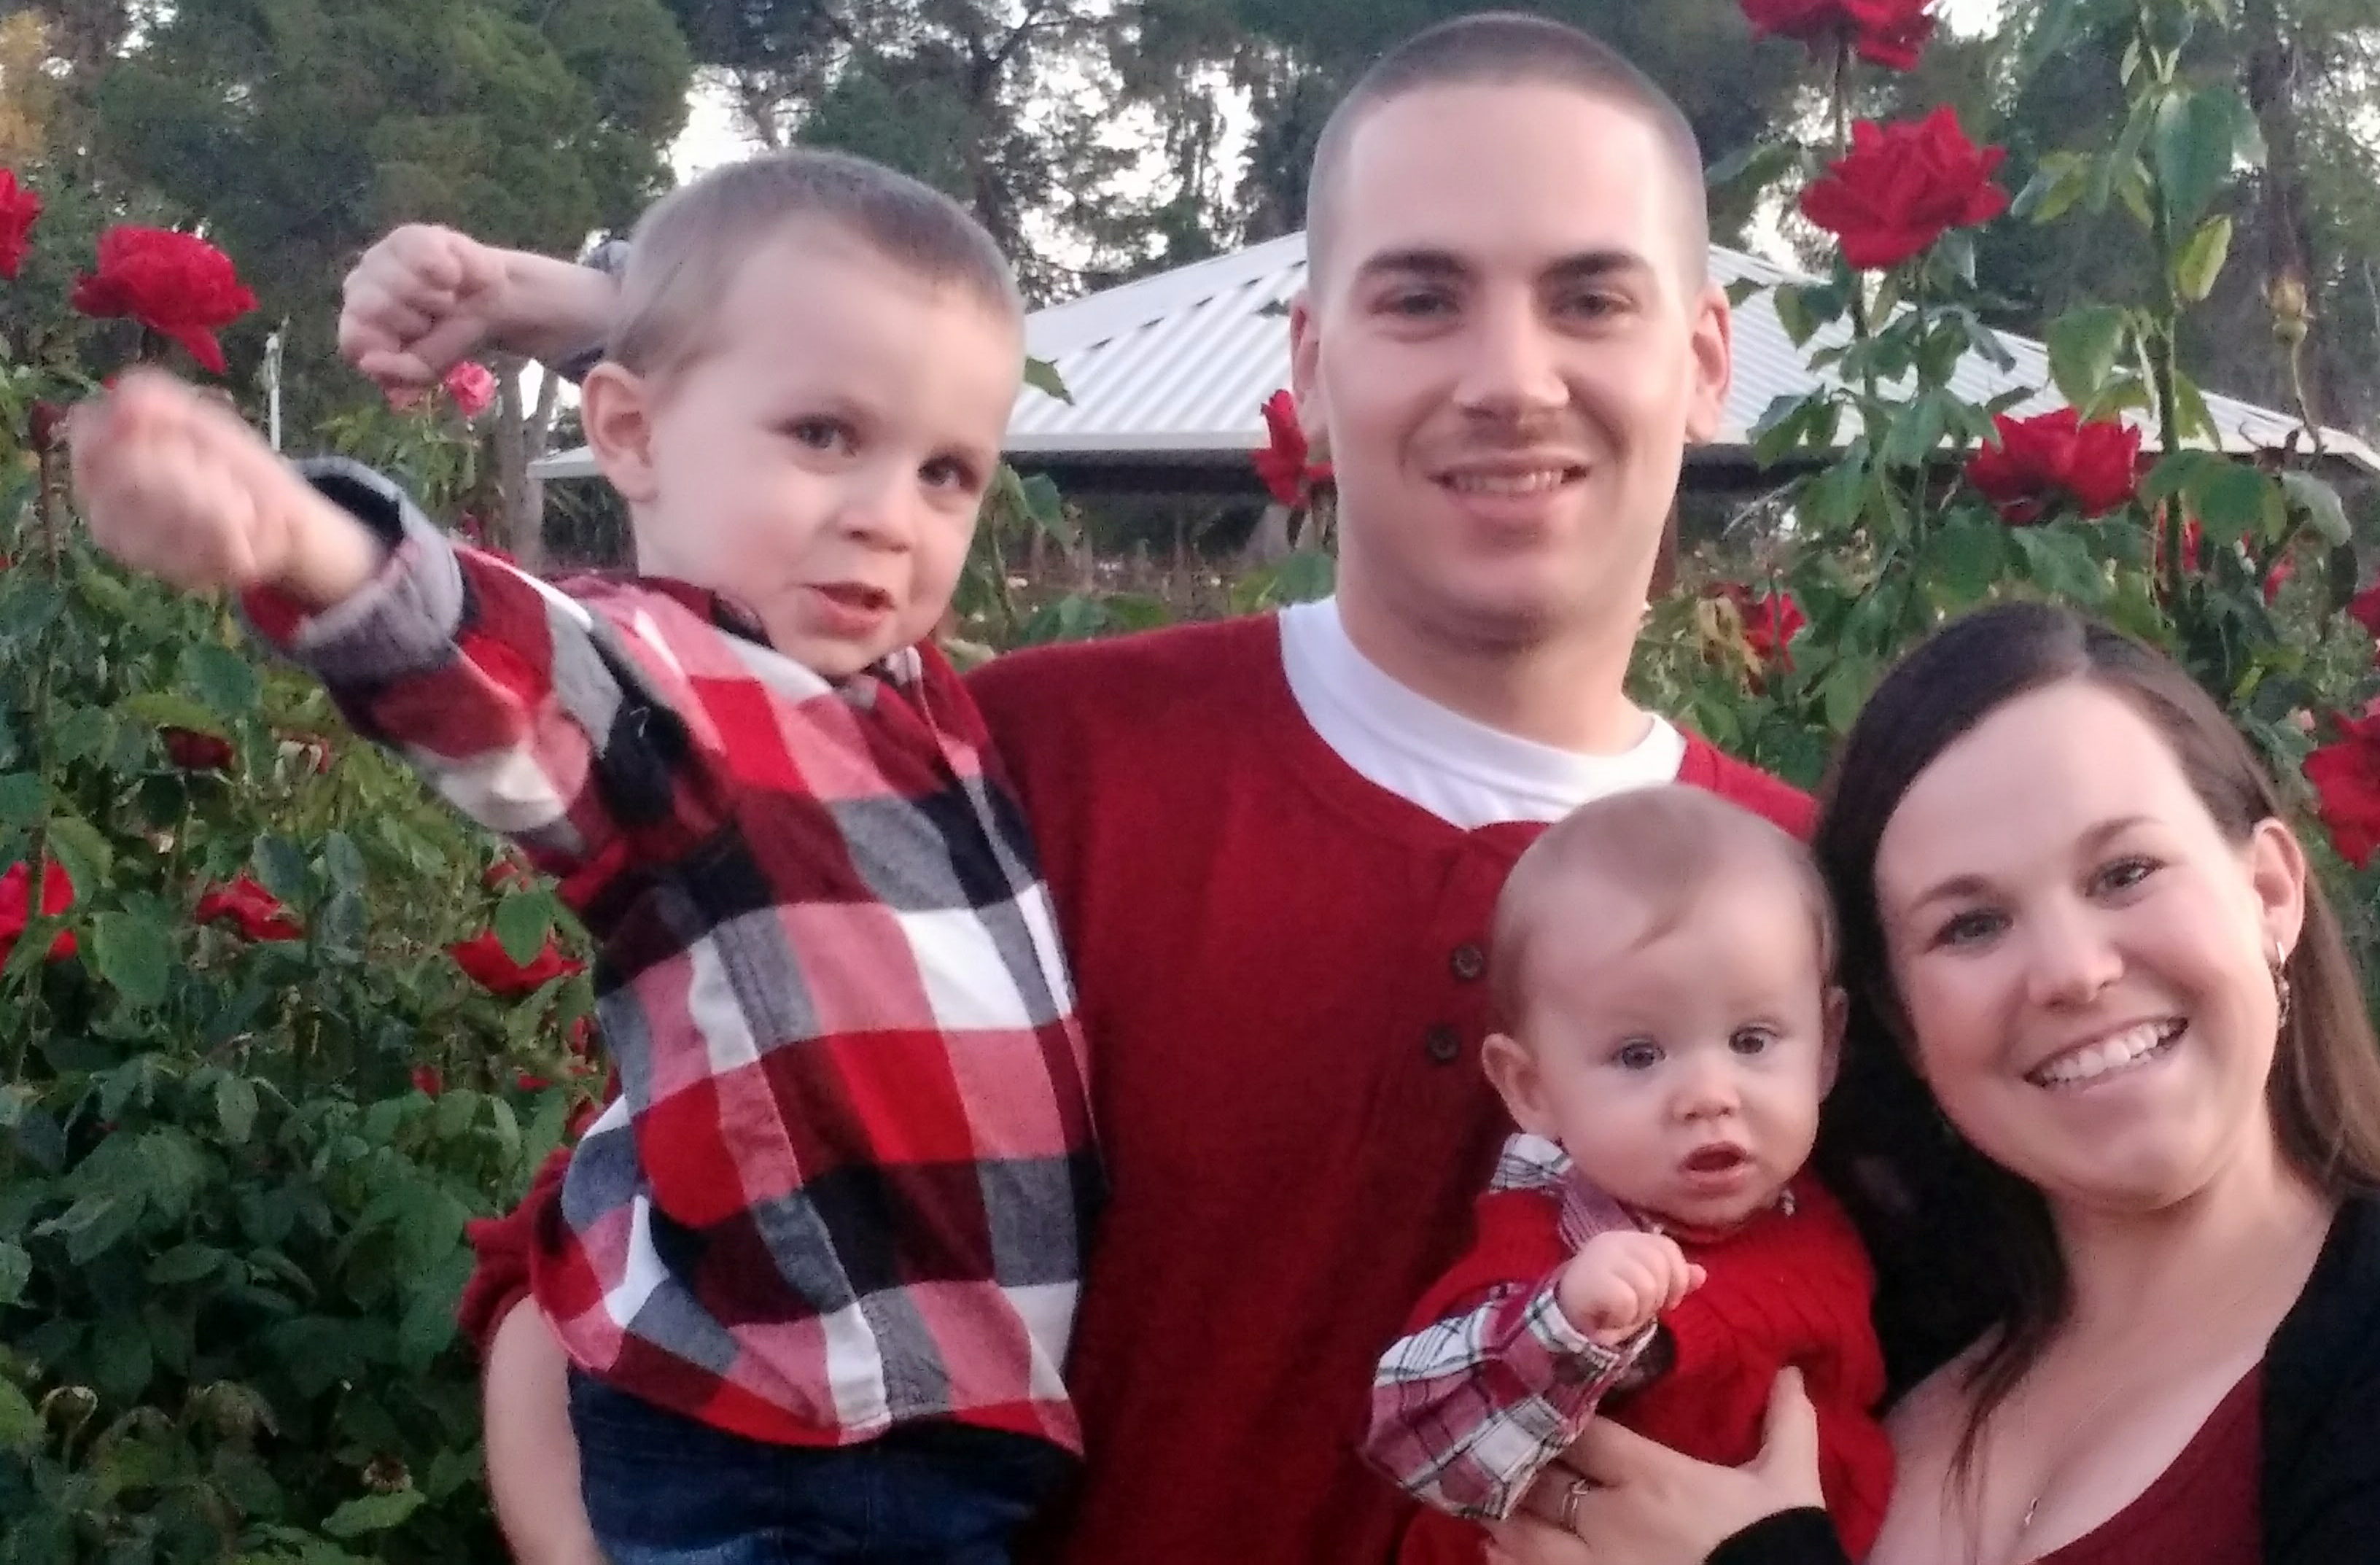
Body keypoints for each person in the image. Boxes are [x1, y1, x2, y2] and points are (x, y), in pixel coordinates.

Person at [339, 14, 1809, 1565]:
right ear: (1308, 366)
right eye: (1421, 299)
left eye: (1589, 297)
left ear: (1702, 359)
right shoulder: (1007, 767)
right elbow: (603, 1259)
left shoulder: (1801, 888)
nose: (1510, 379)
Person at [74, 149, 1099, 1564]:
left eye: (945, 470)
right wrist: (307, 539)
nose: (888, 510)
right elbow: (498, 660)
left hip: (929, 1432)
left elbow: (781, 334)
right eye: (820, 435)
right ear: (623, 435)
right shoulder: (682, 689)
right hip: (788, 1445)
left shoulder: (902, 694)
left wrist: (567, 300)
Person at [1479, 602, 2380, 1565]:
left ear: (2271, 893)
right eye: (1969, 926)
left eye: (2124, 872)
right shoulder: (1863, 1354)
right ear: (1896, 1025)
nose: (2071, 971)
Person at [1364, 785, 1891, 1565]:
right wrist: (1566, 1325)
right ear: (1531, 1088)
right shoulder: (1548, 1251)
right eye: (1639, 1055)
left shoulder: (1831, 1212)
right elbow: (1412, 1430)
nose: (1711, 1095)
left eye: (1751, 1039)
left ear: (1825, 1044)